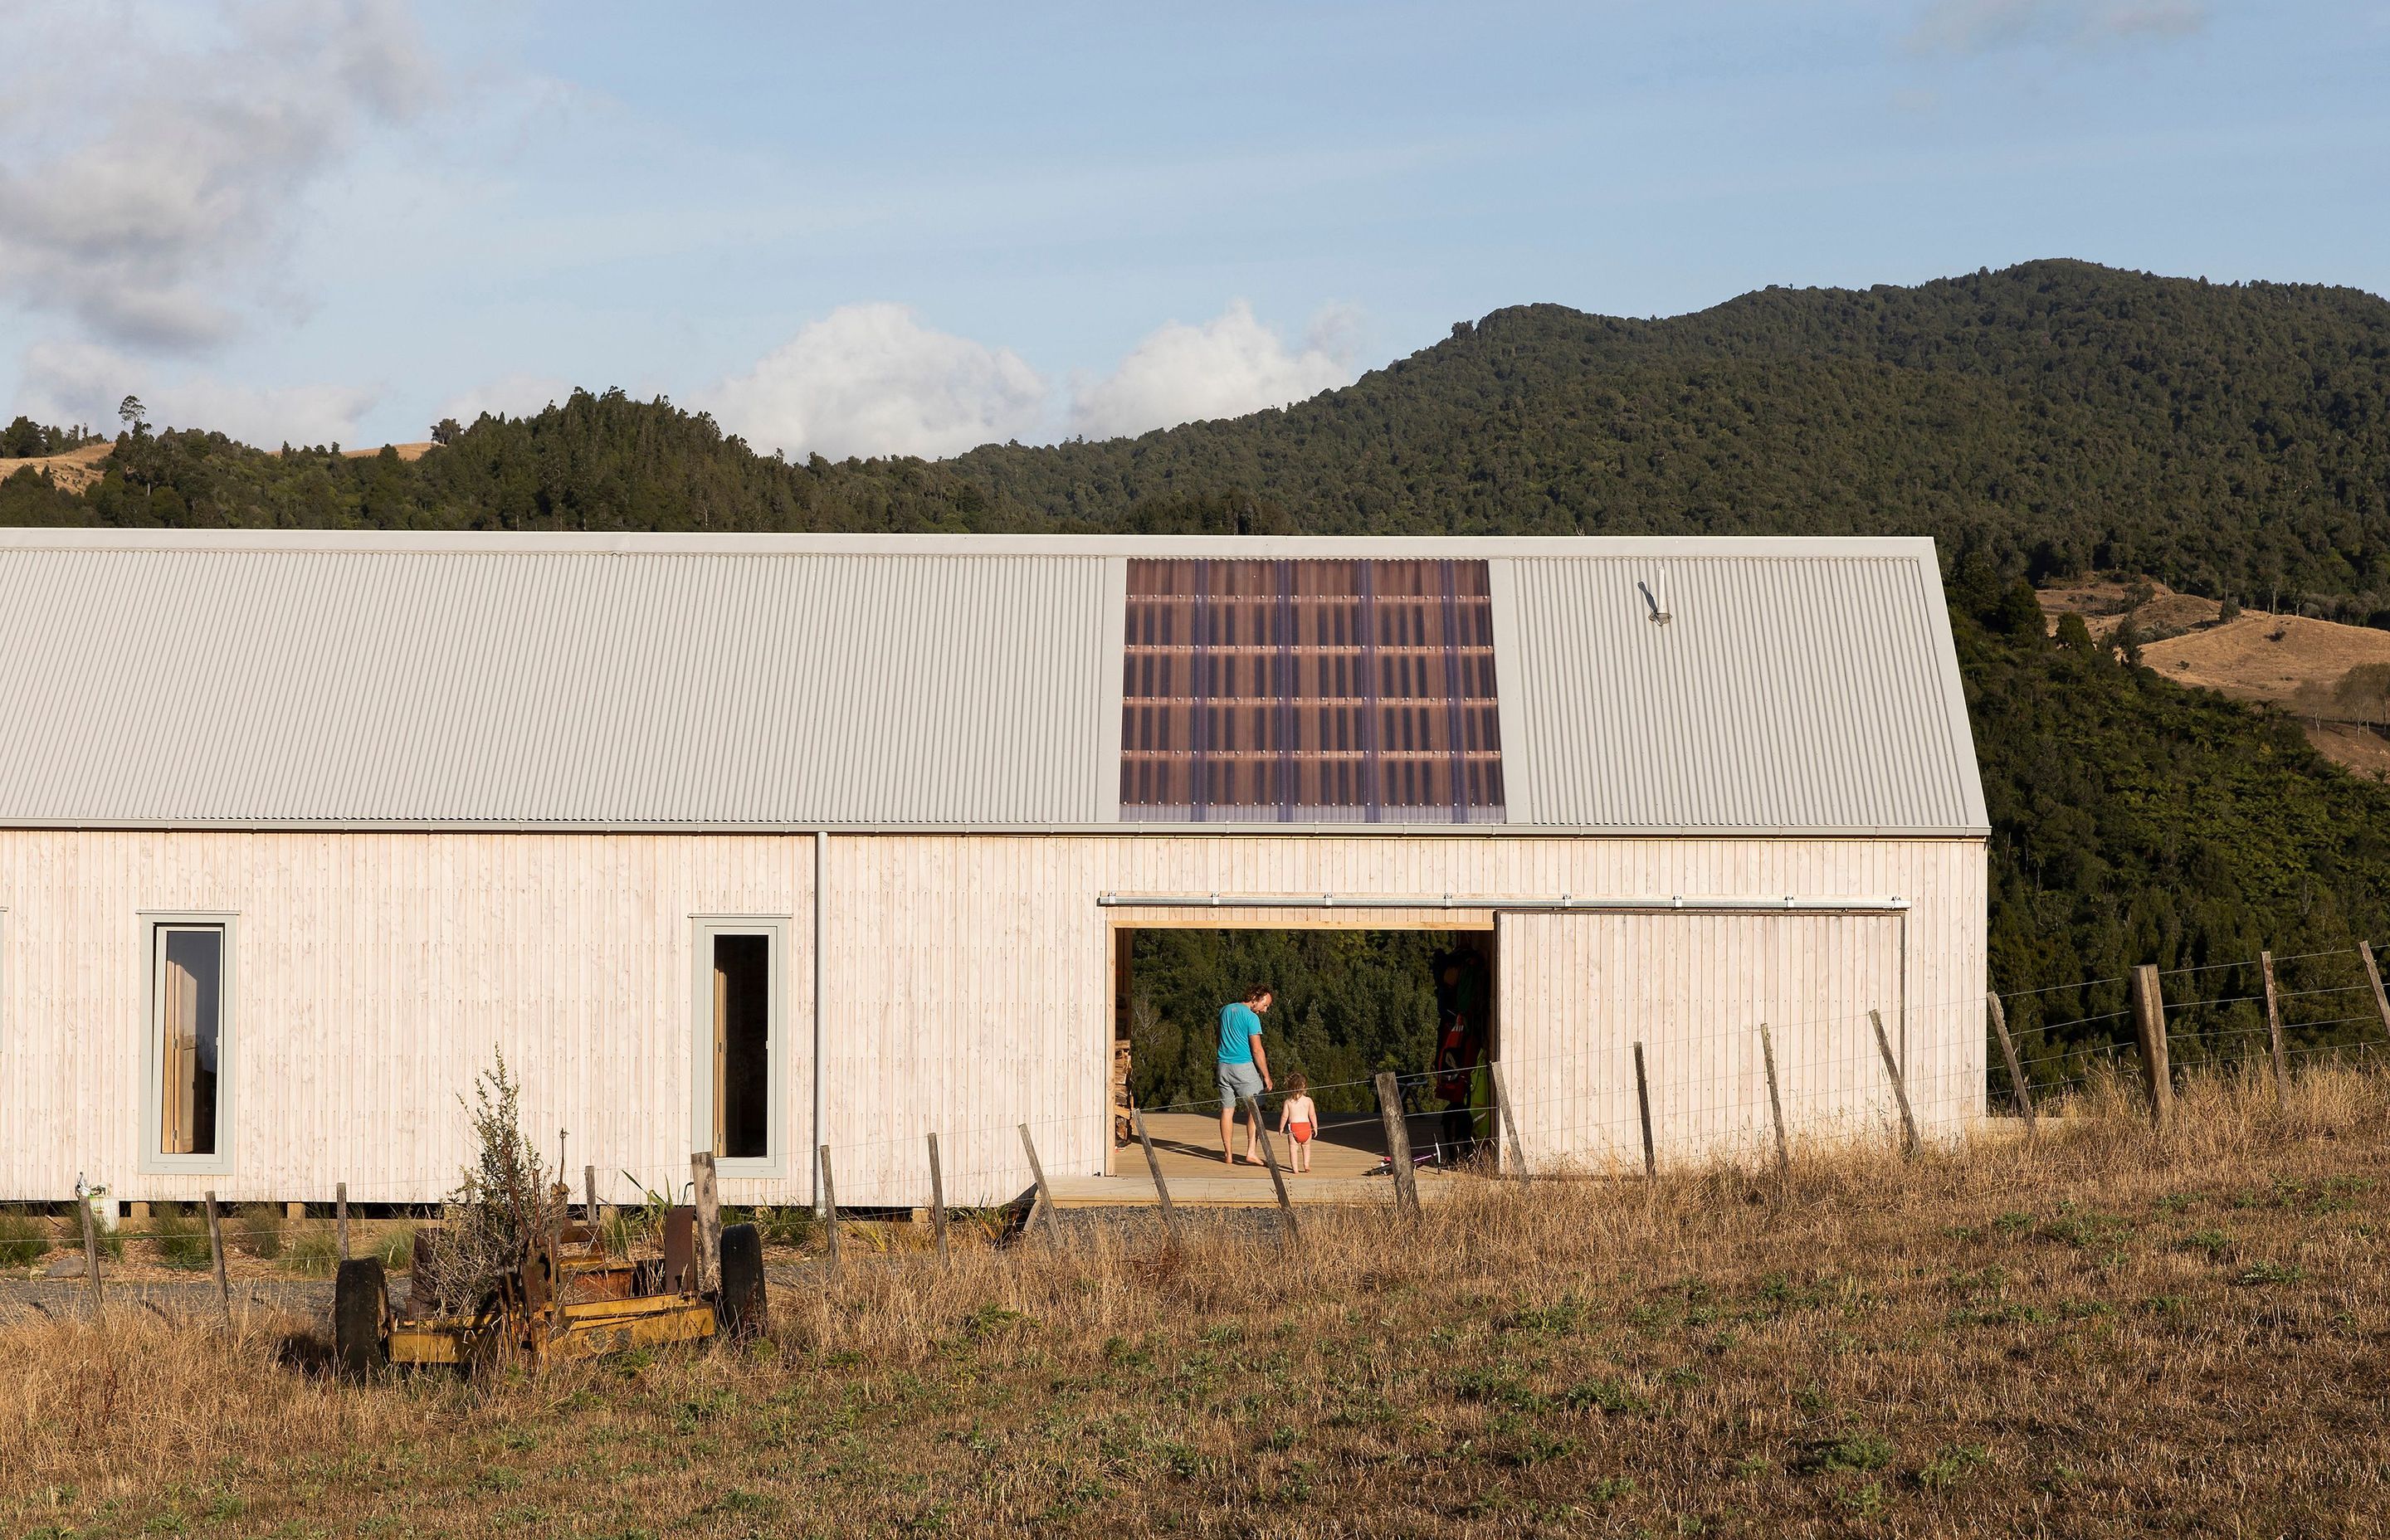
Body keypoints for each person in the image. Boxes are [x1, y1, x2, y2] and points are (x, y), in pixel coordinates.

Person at [1216, 986, 1274, 1164]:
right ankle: (1251, 1152)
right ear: (1257, 998)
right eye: (1265, 1005)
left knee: (1227, 1110)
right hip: (1243, 1066)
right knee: (1255, 1108)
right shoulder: (1251, 1017)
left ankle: (1228, 1155)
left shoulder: (1224, 1010)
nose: (1265, 1010)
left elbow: (1217, 1037)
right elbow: (1257, 1050)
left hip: (1222, 1066)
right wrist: (1266, 1076)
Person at [1278, 1073, 1318, 1174]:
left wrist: (1281, 1128)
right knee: (1306, 1147)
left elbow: (1284, 1116)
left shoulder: (1288, 1102)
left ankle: (1295, 1168)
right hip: (1306, 1127)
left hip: (1294, 1128)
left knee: (1293, 1149)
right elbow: (1312, 1115)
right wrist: (1315, 1127)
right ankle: (1306, 1165)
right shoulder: (1308, 1101)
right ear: (1304, 1085)